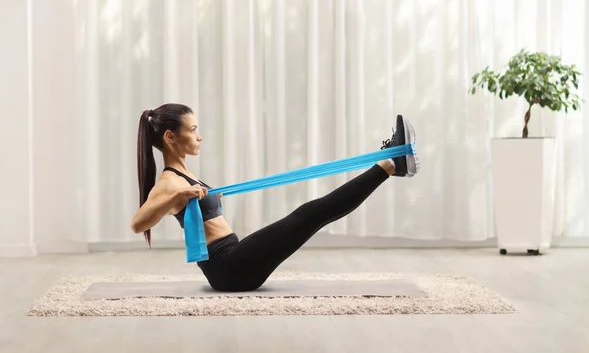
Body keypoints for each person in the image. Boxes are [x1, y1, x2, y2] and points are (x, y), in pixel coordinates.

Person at [131, 103, 419, 292]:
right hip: (228, 268)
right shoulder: (170, 183)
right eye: (193, 130)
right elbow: (138, 223)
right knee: (308, 215)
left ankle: (391, 164)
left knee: (311, 218)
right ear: (170, 137)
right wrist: (179, 195)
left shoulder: (184, 174)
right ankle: (390, 163)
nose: (199, 136)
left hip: (233, 258)